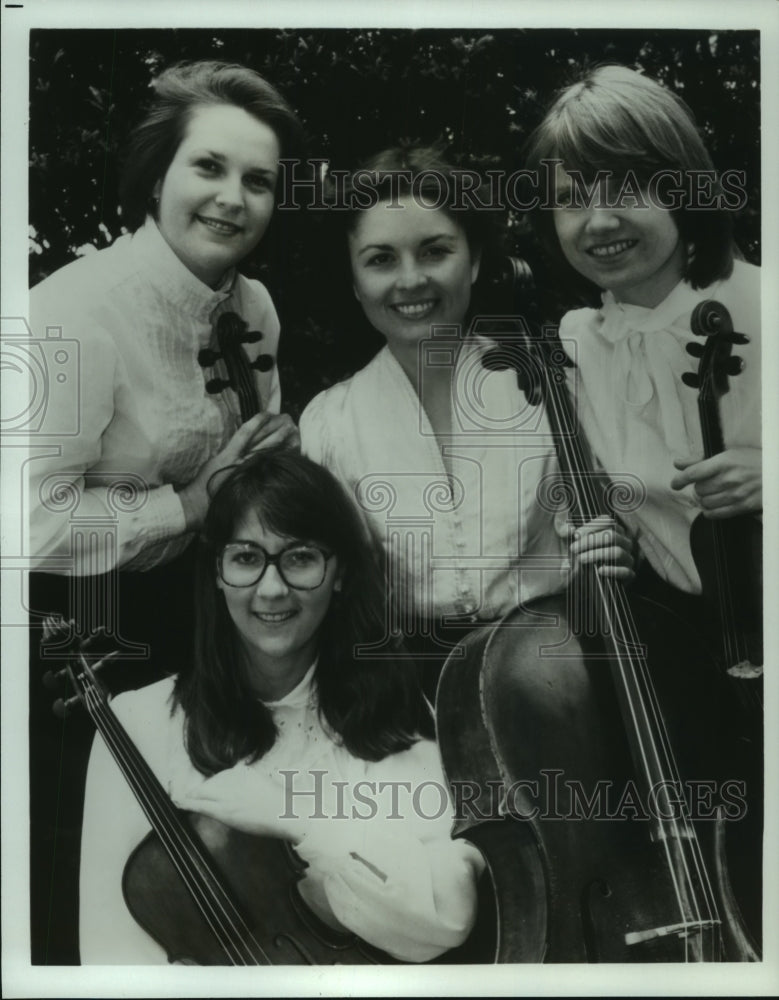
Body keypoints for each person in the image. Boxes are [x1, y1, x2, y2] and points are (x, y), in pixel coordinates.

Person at [28, 59, 303, 963]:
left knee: (213, 861)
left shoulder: (252, 307)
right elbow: (26, 526)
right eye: (209, 168)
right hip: (80, 630)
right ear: (157, 176)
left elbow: (246, 467)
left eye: (258, 181)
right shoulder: (72, 314)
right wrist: (191, 501)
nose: (233, 199)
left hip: (204, 622)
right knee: (91, 872)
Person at [78, 448, 485, 964]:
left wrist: (300, 818)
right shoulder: (137, 726)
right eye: (246, 558)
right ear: (217, 574)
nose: (272, 588)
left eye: (300, 557)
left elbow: (448, 913)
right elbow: (110, 960)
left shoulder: (392, 715)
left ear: (338, 573)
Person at [299, 145, 633, 692]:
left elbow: (612, 526)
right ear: (355, 280)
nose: (411, 281)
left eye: (435, 252)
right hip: (403, 691)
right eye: (381, 259)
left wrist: (617, 545)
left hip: (558, 676)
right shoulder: (327, 424)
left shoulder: (554, 382)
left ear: (473, 260)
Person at [522, 64, 761, 610]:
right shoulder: (578, 347)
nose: (600, 221)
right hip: (692, 646)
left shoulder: (761, 305)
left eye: (628, 189)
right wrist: (621, 543)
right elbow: (634, 514)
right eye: (573, 198)